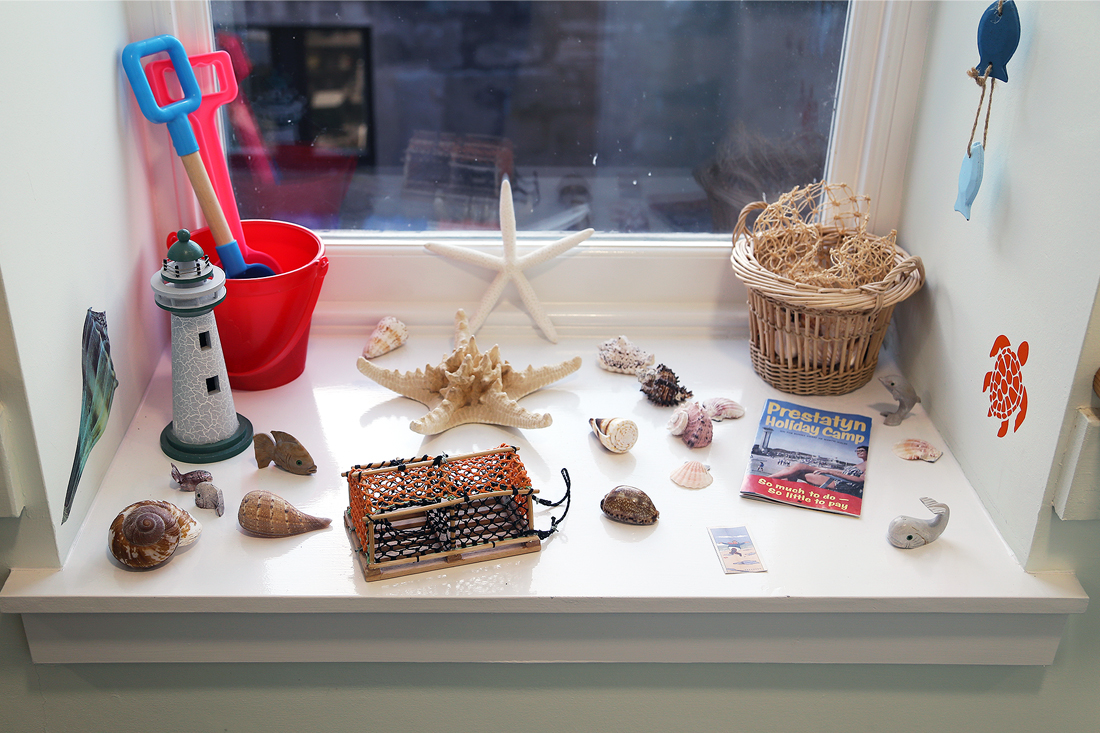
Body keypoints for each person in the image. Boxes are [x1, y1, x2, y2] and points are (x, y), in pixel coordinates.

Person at [767, 445, 868, 498]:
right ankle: (769, 480)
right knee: (798, 466)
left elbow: (860, 480)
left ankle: (768, 481)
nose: (858, 452)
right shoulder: (859, 464)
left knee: (796, 472)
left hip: (838, 483)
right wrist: (826, 470)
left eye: (861, 450)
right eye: (857, 451)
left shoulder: (869, 466)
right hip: (836, 477)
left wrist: (832, 473)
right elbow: (845, 472)